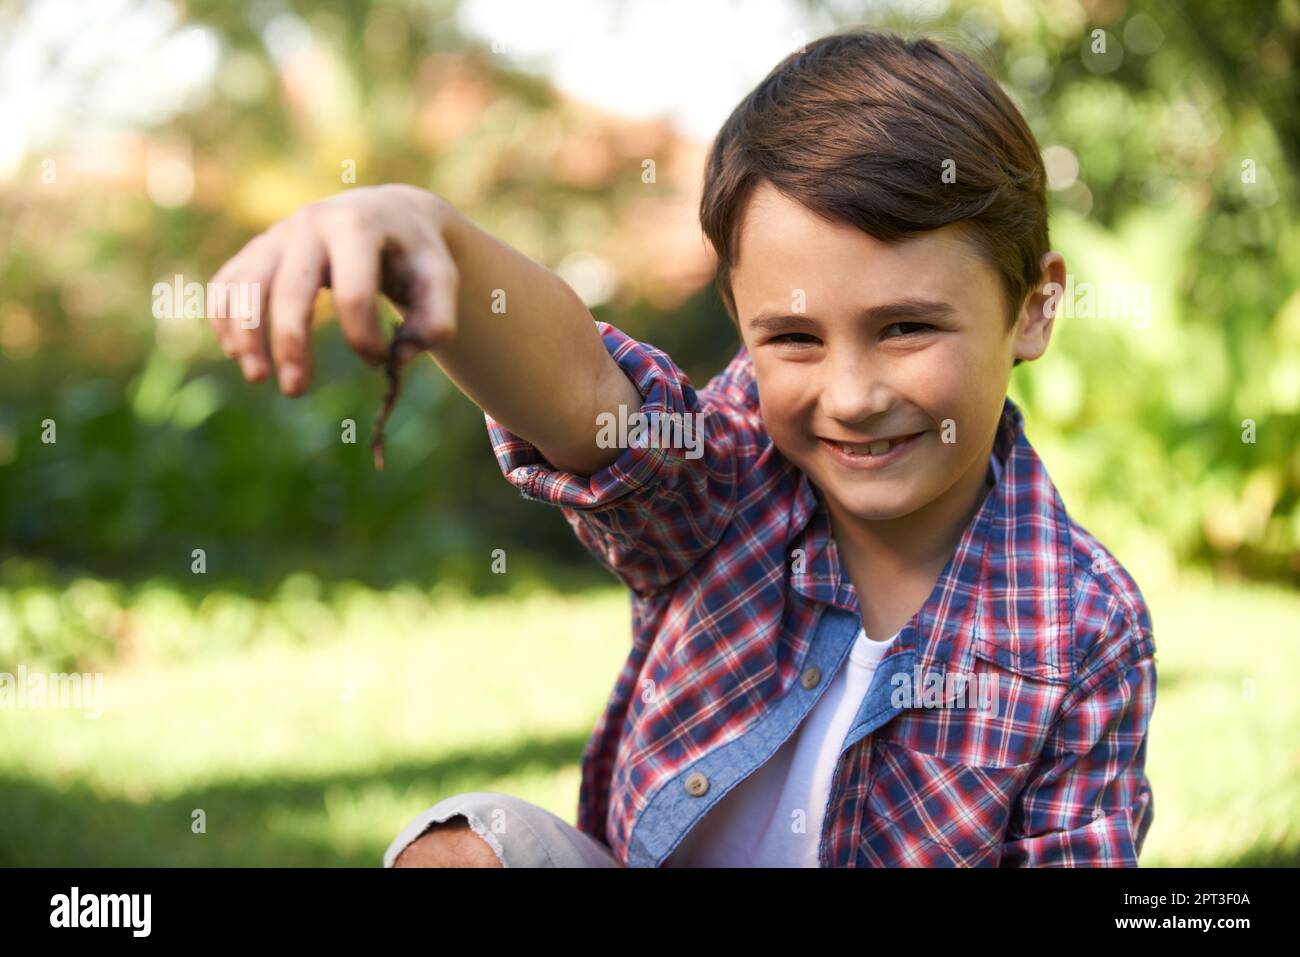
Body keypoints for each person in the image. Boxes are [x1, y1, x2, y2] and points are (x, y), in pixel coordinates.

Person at [208, 28, 1156, 868]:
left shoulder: (1082, 626)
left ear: (1033, 307)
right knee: (460, 848)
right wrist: (426, 236)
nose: (853, 395)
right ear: (740, 322)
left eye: (907, 327)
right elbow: (585, 399)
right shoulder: (732, 475)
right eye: (793, 338)